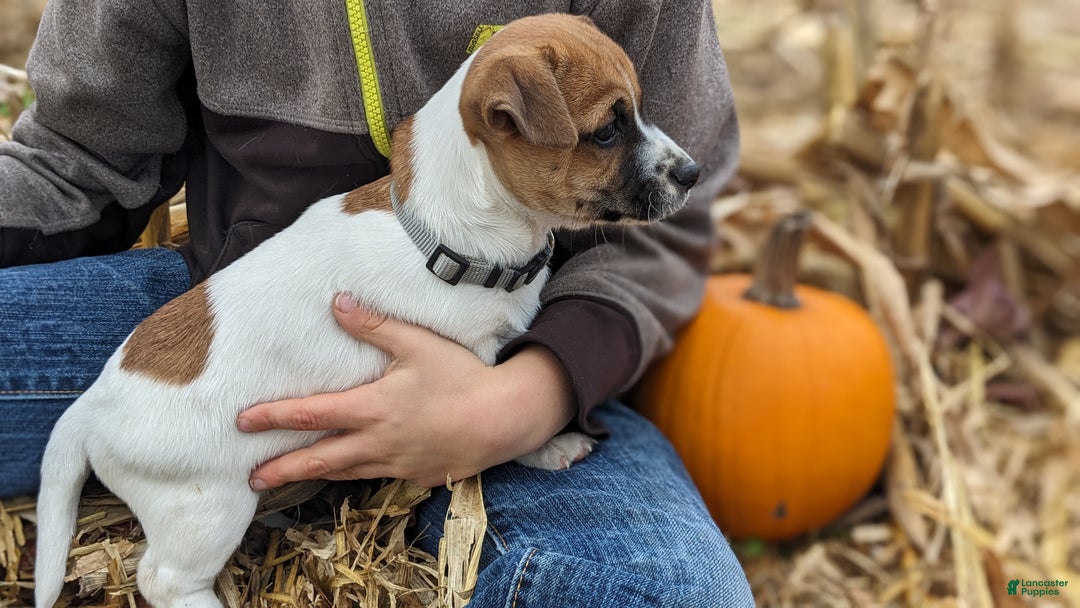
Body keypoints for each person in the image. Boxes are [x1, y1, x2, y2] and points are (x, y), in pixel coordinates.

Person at [0, 1, 753, 605]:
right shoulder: (516, 96)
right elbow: (73, 159)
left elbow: (674, 228)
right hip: (231, 320)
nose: (662, 152)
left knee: (662, 592)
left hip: (536, 356)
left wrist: (526, 400)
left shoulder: (581, 71)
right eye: (612, 130)